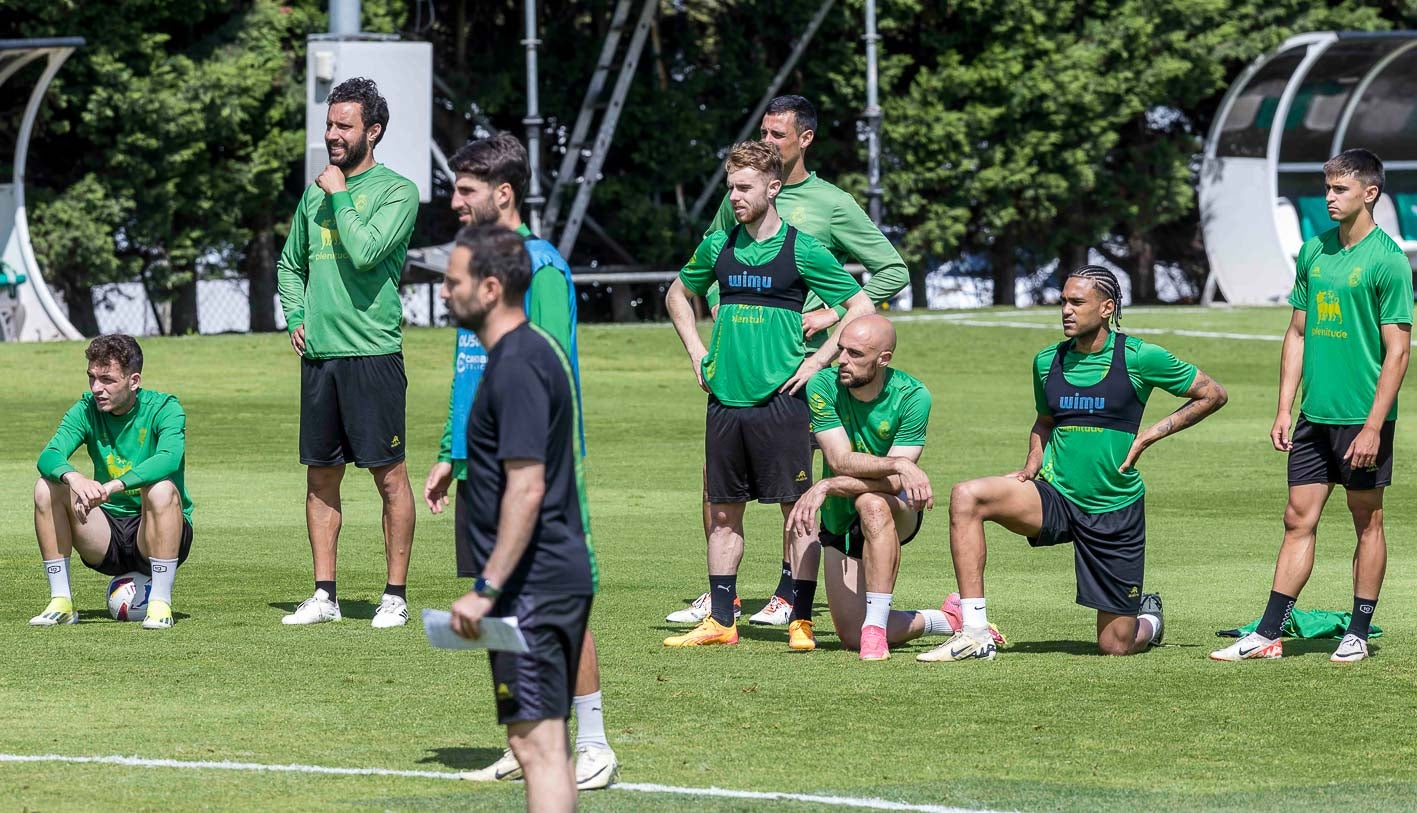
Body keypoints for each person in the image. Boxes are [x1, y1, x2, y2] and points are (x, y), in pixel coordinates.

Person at [667, 95, 911, 628]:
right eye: (765, 132)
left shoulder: (831, 203)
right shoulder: (740, 194)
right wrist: (706, 340)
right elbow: (704, 267)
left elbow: (890, 273)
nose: (769, 142)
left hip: (794, 375)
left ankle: (788, 596)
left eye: (779, 135)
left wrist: (828, 319)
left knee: (792, 496)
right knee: (718, 493)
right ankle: (721, 600)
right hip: (731, 376)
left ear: (805, 140)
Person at [422, 134, 617, 790]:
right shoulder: (474, 265)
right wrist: (452, 449)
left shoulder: (541, 266)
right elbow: (470, 367)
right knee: (503, 604)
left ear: (502, 193)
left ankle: (589, 741)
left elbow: (548, 365)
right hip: (483, 463)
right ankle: (531, 733)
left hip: (535, 467)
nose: (454, 200)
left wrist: (538, 462)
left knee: (551, 597)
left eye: (466, 189)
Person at [922, 265, 1228, 662]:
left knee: (1115, 645)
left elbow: (1212, 394)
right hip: (1056, 495)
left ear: (1106, 308)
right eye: (1062, 301)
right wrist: (1032, 463)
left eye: (1076, 302)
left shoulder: (1140, 356)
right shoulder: (1047, 361)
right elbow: (1045, 421)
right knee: (967, 496)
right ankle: (975, 631)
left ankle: (1149, 619)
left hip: (1112, 507)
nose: (1065, 309)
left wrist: (1150, 434)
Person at [1212, 149, 1412, 664]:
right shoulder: (1312, 251)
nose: (1329, 197)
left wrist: (1373, 426)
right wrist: (1284, 407)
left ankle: (1358, 633)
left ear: (1369, 193)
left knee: (1366, 518)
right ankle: (1268, 633)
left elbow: (1398, 351)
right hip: (1313, 416)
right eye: (1327, 188)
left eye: (1340, 189)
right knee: (1297, 518)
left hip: (1362, 420)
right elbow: (1297, 333)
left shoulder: (1387, 259)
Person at [444, 224, 597, 813]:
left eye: (453, 283)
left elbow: (527, 488)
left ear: (488, 288)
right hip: (542, 580)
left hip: (535, 583)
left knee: (535, 747)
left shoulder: (516, 365)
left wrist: (487, 588)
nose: (443, 293)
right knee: (541, 742)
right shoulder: (517, 355)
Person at [275, 77, 420, 628]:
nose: (332, 134)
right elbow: (291, 263)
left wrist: (338, 192)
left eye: (344, 126)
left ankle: (394, 596)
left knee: (389, 476)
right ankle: (324, 595)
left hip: (373, 356)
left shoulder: (397, 192)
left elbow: (364, 254)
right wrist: (296, 316)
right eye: (329, 124)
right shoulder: (313, 193)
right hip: (322, 360)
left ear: (373, 132)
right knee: (320, 477)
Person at [787, 315, 997, 660]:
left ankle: (875, 631)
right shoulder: (822, 385)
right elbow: (841, 459)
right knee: (848, 635)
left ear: (883, 358)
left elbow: (897, 483)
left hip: (896, 507)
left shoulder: (914, 396)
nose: (842, 361)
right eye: (841, 350)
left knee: (871, 502)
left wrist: (832, 484)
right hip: (839, 514)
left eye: (855, 354)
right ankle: (945, 618)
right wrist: (897, 463)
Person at [32, 334, 193, 631]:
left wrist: (111, 486)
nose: (96, 388)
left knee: (161, 489)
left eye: (107, 380)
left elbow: (169, 459)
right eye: (92, 377)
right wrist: (75, 478)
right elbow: (49, 455)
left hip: (156, 531)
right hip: (105, 534)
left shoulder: (165, 408)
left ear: (134, 381)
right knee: (46, 486)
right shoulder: (85, 410)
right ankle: (61, 602)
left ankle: (159, 603)